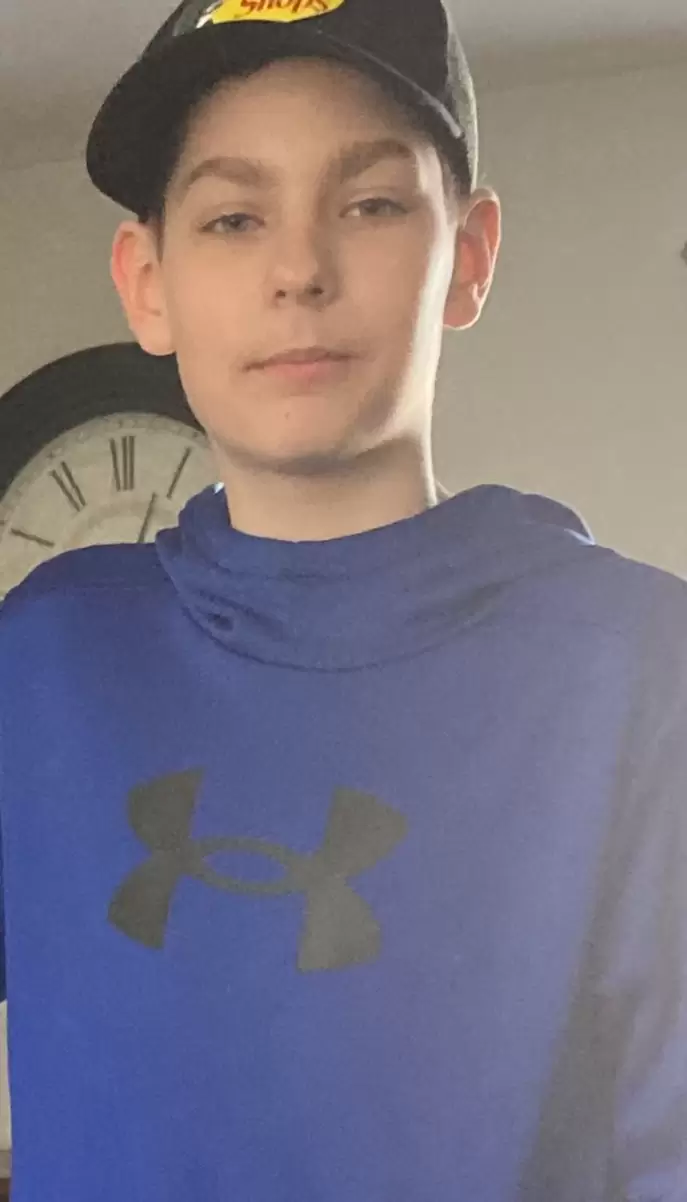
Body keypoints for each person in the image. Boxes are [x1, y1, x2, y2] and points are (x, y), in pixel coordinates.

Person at [0, 0, 685, 1198]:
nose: (299, 271)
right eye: (233, 217)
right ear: (147, 283)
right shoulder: (44, 657)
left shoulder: (638, 673)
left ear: (469, 254)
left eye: (369, 204)